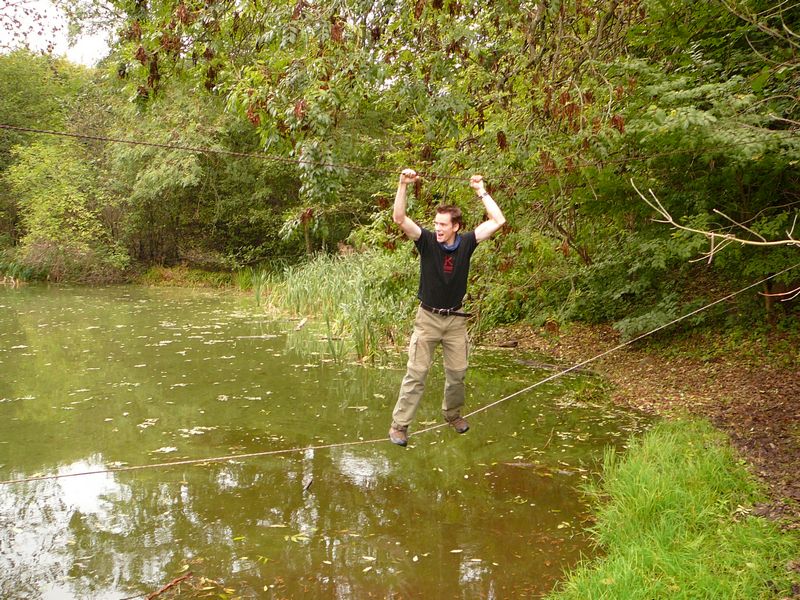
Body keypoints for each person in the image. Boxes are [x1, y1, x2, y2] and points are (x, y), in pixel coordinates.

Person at [388, 168, 507, 447]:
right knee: (416, 374)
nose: (438, 228)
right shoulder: (427, 241)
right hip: (427, 318)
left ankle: (452, 414)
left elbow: (498, 220)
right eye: (436, 224)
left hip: (455, 321)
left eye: (443, 224)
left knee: (457, 374)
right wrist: (403, 185)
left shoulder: (467, 243)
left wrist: (481, 192)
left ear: (455, 226)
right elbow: (400, 218)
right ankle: (399, 426)